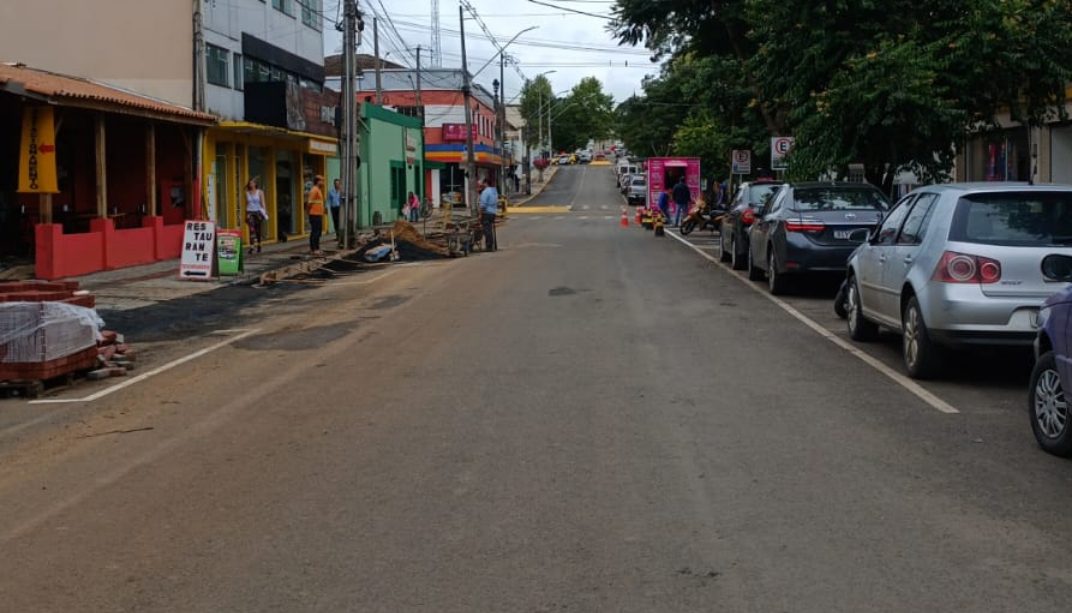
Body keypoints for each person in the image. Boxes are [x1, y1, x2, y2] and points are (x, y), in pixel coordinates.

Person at [245, 178, 268, 255]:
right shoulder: (247, 193)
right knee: (251, 229)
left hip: (258, 212)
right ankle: (252, 247)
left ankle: (259, 245)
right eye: (249, 183)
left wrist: (264, 212)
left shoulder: (260, 192)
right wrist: (246, 214)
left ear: (255, 184)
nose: (250, 184)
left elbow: (263, 202)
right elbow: (246, 203)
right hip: (250, 212)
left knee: (258, 230)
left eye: (252, 183)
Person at [305, 175, 326, 255]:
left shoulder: (318, 190)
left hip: (318, 214)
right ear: (317, 181)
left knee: (318, 231)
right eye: (321, 181)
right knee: (315, 232)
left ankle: (316, 248)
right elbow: (309, 202)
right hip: (314, 214)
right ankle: (314, 249)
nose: (323, 182)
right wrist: (308, 211)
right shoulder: (314, 190)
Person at [478, 180, 498, 252]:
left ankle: (489, 246)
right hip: (493, 212)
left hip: (487, 213)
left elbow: (483, 205)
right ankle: (493, 245)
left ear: (485, 183)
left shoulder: (485, 192)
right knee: (490, 229)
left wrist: (480, 214)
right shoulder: (494, 191)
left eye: (482, 183)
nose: (481, 185)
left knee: (487, 230)